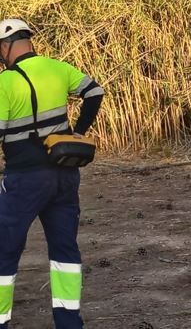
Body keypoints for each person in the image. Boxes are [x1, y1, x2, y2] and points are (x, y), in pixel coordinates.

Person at [0, 19, 104, 328]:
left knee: (4, 252)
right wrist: (77, 133)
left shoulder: (6, 83)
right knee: (64, 252)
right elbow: (95, 91)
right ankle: (69, 322)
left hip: (24, 179)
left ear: (5, 47)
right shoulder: (58, 68)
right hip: (64, 175)